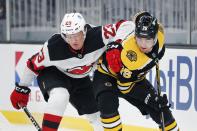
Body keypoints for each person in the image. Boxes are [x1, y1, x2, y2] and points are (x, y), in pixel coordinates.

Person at [10, 12, 134, 131]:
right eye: (69, 36)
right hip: (54, 73)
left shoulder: (98, 35)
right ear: (64, 36)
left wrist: (116, 44)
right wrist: (21, 88)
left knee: (97, 116)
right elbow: (32, 65)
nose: (74, 40)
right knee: (60, 95)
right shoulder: (53, 47)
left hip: (80, 78)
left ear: (84, 31)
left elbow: (128, 25)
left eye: (77, 35)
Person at [93, 11, 180, 131]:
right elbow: (124, 88)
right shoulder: (131, 57)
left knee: (163, 113)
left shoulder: (160, 39)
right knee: (108, 106)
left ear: (155, 37)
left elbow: (141, 16)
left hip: (134, 78)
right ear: (135, 36)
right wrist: (150, 99)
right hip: (106, 75)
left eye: (148, 39)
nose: (143, 44)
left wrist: (154, 101)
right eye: (140, 38)